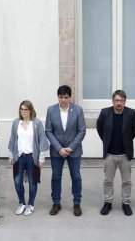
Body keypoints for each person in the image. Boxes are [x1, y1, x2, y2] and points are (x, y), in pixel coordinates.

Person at [96, 90, 135, 216]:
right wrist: (106, 141)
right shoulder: (105, 112)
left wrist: (127, 141)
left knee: (127, 181)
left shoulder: (131, 113)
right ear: (112, 101)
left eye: (121, 100)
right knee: (108, 181)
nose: (118, 103)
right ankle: (108, 202)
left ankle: (126, 203)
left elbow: (134, 130)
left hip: (125, 154)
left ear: (125, 101)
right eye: (116, 100)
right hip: (110, 154)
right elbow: (100, 129)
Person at [45, 85, 86, 216]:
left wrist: (70, 148)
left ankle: (77, 203)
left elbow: (82, 131)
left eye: (66, 97)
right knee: (56, 177)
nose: (63, 100)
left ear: (70, 97)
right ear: (58, 97)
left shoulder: (78, 110)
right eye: (61, 97)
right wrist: (59, 148)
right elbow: (48, 131)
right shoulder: (51, 110)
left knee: (76, 176)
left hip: (74, 150)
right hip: (57, 151)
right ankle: (56, 203)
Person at [8, 100, 49, 216]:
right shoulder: (16, 123)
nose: (23, 111)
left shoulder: (36, 123)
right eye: (21, 109)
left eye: (26, 109)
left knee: (32, 182)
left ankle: (30, 204)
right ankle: (22, 203)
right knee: (17, 181)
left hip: (32, 157)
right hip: (19, 156)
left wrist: (41, 158)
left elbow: (42, 141)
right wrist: (11, 154)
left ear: (31, 110)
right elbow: (12, 139)